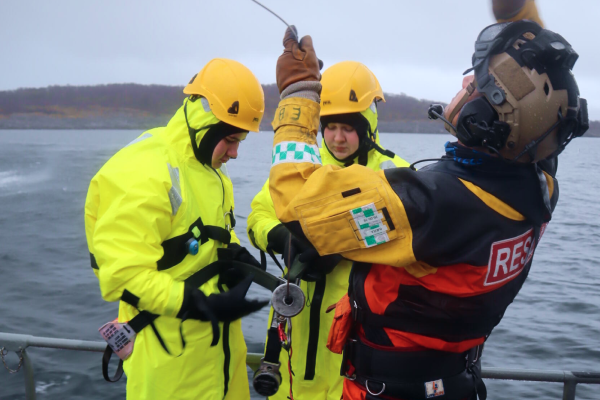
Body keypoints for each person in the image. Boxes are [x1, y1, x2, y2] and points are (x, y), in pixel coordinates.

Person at [267, 18, 588, 400]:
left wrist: (298, 94)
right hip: (453, 384)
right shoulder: (539, 192)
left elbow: (296, 203)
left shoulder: (425, 208)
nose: (465, 86)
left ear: (486, 117)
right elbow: (540, 136)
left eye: (475, 85)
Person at [84, 58, 269, 400]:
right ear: (205, 122)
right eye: (230, 139)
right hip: (169, 365)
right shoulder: (143, 171)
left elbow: (211, 230)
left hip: (221, 357)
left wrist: (234, 254)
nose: (235, 152)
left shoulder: (209, 169)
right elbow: (123, 274)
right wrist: (196, 304)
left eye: (240, 140)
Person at [247, 61, 409, 400]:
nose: (337, 137)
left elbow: (410, 244)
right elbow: (258, 217)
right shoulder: (300, 168)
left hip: (358, 339)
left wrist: (340, 245)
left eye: (348, 128)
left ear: (368, 127)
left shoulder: (396, 175)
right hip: (295, 330)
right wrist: (282, 239)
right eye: (330, 126)